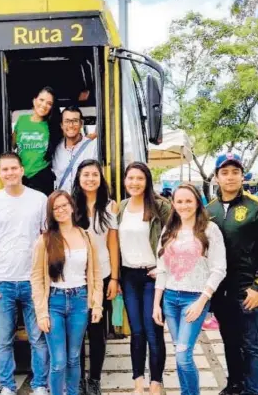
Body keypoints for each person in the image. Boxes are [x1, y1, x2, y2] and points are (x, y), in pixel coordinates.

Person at [0, 152, 49, 395]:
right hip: (2, 282)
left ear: (22, 170)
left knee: (38, 338)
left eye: (13, 168)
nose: (9, 173)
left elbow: (48, 238)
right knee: (4, 340)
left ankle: (40, 384)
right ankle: (7, 386)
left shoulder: (39, 199)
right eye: (5, 169)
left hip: (33, 281)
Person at [206, 153, 258, 395]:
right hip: (221, 291)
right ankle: (234, 385)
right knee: (230, 342)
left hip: (248, 290)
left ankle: (253, 390)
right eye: (224, 172)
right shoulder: (209, 210)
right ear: (216, 177)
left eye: (235, 172)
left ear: (242, 176)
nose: (230, 177)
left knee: (251, 345)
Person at [153, 183, 227, 395]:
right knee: (179, 353)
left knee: (183, 354)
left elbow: (219, 269)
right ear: (173, 204)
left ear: (197, 202)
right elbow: (162, 268)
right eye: (179, 201)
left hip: (194, 299)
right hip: (169, 299)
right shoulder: (169, 229)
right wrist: (156, 304)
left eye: (188, 201)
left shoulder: (210, 230)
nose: (184, 205)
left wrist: (202, 301)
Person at [31, 190, 103, 395]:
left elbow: (95, 274)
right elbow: (36, 278)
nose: (61, 210)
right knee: (59, 360)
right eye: (55, 208)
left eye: (64, 205)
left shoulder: (86, 236)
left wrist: (96, 304)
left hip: (80, 300)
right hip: (54, 301)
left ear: (72, 207)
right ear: (51, 213)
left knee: (74, 357)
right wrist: (41, 313)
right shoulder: (44, 241)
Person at [116, 162, 170, 395]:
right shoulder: (120, 207)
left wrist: (164, 267)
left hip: (152, 276)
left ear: (147, 181)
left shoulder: (161, 207)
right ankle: (138, 381)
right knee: (136, 330)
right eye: (130, 178)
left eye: (139, 178)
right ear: (125, 181)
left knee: (152, 330)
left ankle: (156, 383)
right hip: (129, 275)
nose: (134, 183)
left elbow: (176, 238)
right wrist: (116, 278)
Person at [71, 159, 119, 395]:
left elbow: (112, 245)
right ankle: (79, 379)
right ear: (78, 179)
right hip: (76, 279)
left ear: (101, 179)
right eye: (86, 175)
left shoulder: (110, 207)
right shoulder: (70, 207)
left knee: (97, 331)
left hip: (102, 277)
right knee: (78, 331)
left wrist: (115, 280)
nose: (90, 179)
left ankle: (95, 380)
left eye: (95, 175)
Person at [12, 86, 62, 196]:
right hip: (21, 177)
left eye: (49, 103)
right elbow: (12, 144)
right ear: (34, 100)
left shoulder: (53, 126)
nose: (44, 105)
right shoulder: (22, 120)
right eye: (41, 100)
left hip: (42, 177)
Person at [52, 106, 98, 194]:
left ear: (81, 123)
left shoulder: (93, 146)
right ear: (61, 125)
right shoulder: (55, 149)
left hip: (86, 203)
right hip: (65, 204)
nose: (71, 125)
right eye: (67, 121)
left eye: (75, 121)